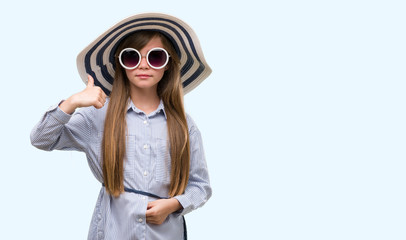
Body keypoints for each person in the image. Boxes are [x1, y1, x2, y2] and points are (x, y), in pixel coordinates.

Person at [30, 13, 212, 240]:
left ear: (167, 65)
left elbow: (200, 186)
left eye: (155, 57)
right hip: (112, 231)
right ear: (121, 63)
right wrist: (72, 102)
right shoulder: (98, 116)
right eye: (132, 57)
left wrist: (173, 204)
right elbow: (41, 138)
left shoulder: (184, 125)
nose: (143, 65)